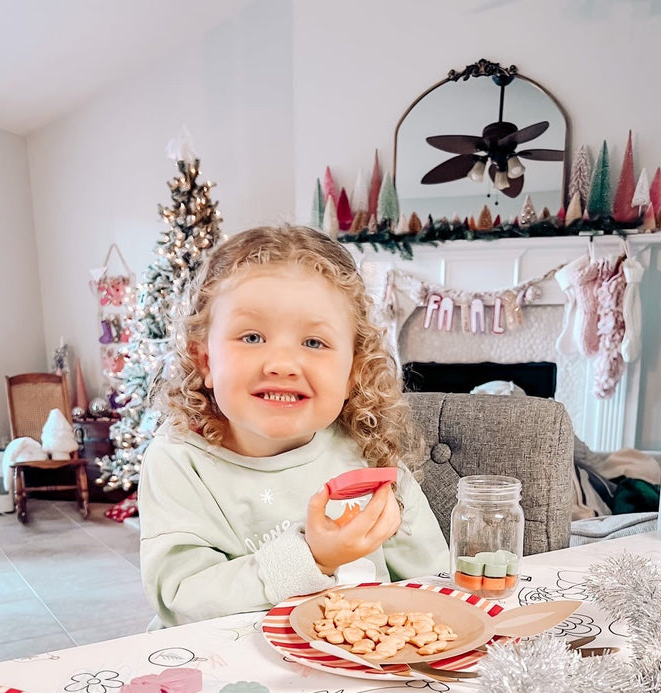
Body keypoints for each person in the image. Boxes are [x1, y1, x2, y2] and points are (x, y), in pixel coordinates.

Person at [139, 224, 449, 627]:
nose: (282, 364)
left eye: (314, 343)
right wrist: (313, 558)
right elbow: (180, 601)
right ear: (206, 361)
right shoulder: (179, 462)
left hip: (359, 678)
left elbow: (434, 582)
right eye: (251, 337)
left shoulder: (367, 452)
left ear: (353, 371)